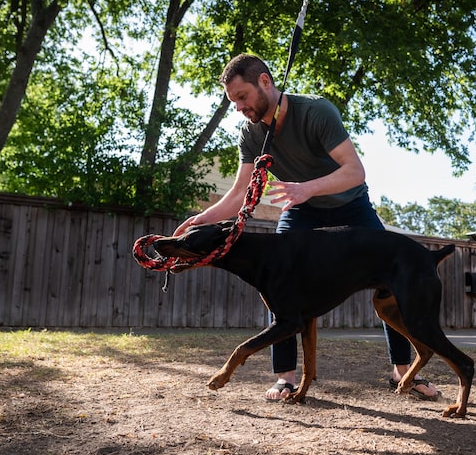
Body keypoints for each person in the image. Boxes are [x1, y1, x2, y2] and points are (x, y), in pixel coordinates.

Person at [174, 54, 438, 402]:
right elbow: (239, 192)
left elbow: (355, 171)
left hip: (351, 206)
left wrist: (307, 187)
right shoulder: (252, 134)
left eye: (242, 97)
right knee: (278, 281)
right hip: (302, 211)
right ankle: (286, 378)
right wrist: (199, 220)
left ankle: (404, 373)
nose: (238, 107)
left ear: (265, 82)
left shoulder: (316, 111)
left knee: (393, 279)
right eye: (232, 101)